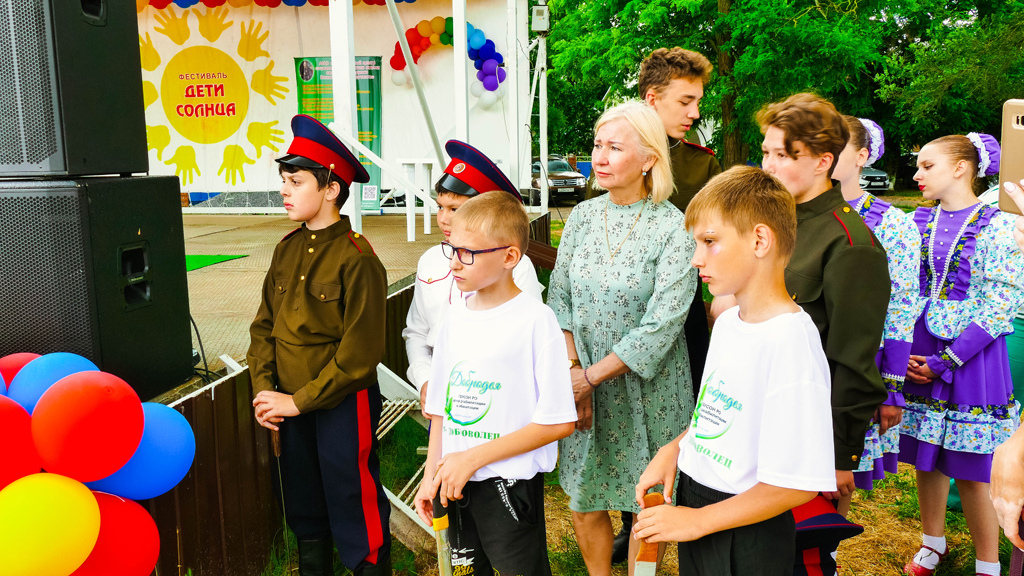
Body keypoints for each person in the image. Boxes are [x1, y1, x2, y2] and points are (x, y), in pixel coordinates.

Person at [633, 165, 836, 575]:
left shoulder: (790, 342)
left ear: (760, 240)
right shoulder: (727, 322)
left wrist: (698, 522)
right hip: (698, 505)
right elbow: (720, 414)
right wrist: (677, 448)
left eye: (709, 242)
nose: (696, 259)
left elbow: (796, 484)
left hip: (746, 531)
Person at [548, 101, 697, 576]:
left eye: (614, 147)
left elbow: (662, 325)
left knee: (647, 506)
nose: (600, 157)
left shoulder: (674, 226)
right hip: (584, 388)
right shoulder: (581, 217)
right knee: (583, 496)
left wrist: (589, 377)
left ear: (649, 158)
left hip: (650, 392)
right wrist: (574, 372)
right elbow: (559, 298)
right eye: (597, 145)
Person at [584, 46, 720, 562]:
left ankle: (670, 514)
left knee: (673, 426)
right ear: (652, 98)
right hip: (615, 320)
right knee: (616, 423)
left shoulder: (702, 165)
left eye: (698, 102)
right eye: (686, 101)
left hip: (680, 317)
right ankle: (629, 519)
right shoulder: (613, 154)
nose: (694, 113)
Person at [247, 115, 391, 576]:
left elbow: (359, 356)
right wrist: (265, 391)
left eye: (296, 182)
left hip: (342, 403)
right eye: (283, 181)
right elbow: (264, 328)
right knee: (304, 499)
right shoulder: (286, 248)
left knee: (352, 497)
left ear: (331, 189)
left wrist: (297, 401)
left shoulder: (358, 258)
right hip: (287, 402)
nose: (284, 191)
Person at [412, 191, 577, 575]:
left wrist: (472, 459)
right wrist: (431, 474)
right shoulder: (454, 317)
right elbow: (440, 409)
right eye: (451, 249)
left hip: (508, 485)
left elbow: (558, 422)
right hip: (454, 483)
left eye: (468, 253)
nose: (454, 262)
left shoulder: (536, 321)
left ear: (509, 257)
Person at [899, 133, 1024, 576]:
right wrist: (904, 351)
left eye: (927, 165)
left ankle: (988, 563)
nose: (917, 174)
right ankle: (932, 541)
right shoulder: (916, 222)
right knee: (926, 455)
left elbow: (1001, 302)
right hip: (920, 349)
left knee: (972, 465)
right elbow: (902, 287)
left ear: (960, 168)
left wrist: (947, 360)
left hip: (973, 356)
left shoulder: (999, 224)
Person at [403, 140, 543, 418]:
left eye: (455, 209)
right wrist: (425, 379)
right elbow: (416, 332)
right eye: (440, 207)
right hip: (442, 393)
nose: (444, 219)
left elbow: (528, 343)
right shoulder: (430, 260)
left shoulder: (515, 266)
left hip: (497, 396)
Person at [831, 116, 920, 505]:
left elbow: (901, 305)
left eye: (837, 148)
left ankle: (828, 540)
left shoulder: (894, 226)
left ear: (862, 156)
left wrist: (892, 386)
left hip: (858, 363)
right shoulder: (787, 213)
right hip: (798, 353)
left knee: (837, 471)